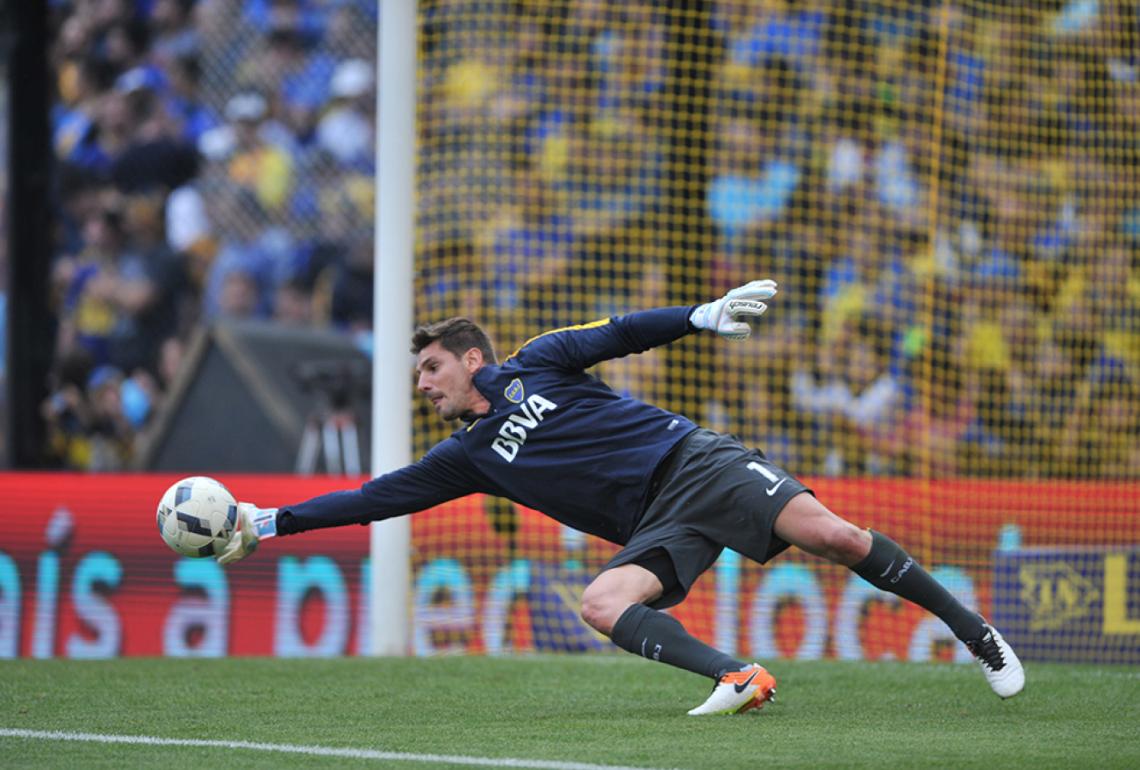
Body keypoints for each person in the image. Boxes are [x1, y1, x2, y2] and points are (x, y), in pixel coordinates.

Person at [217, 280, 1025, 714]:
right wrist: (269, 521)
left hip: (696, 463)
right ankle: (739, 678)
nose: (422, 384)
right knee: (601, 601)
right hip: (656, 522)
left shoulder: (538, 361)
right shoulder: (467, 456)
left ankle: (974, 630)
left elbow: (620, 334)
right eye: (418, 374)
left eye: (430, 368)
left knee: (839, 539)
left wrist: (698, 318)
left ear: (469, 357)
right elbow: (372, 498)